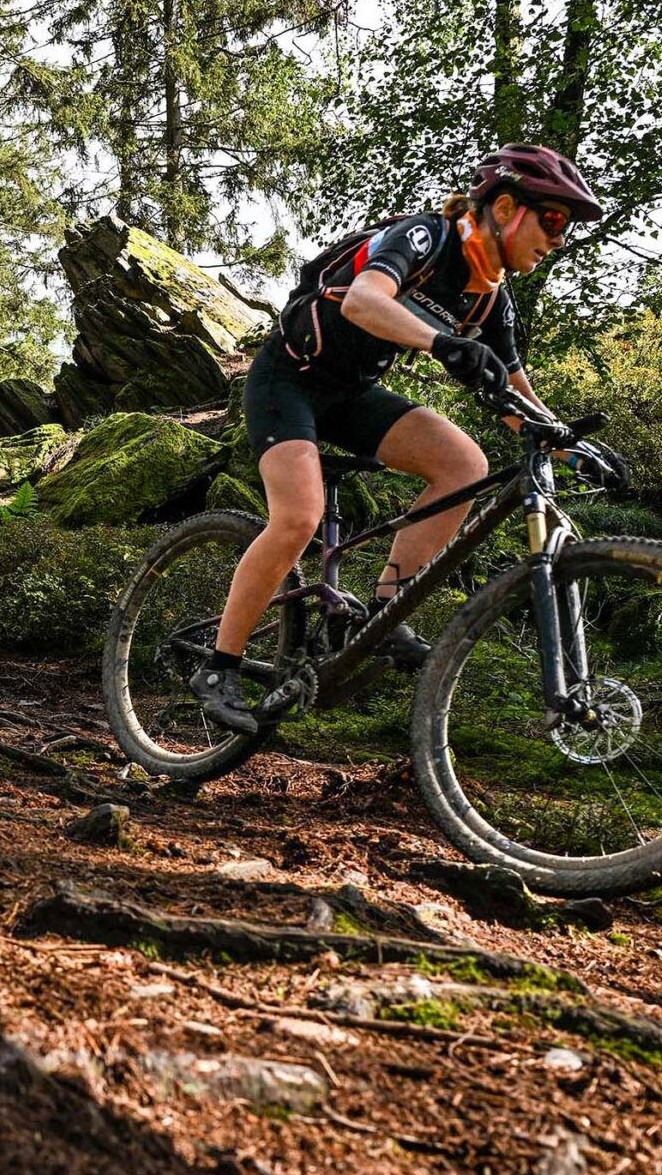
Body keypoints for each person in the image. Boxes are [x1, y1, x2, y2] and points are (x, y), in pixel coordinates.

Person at [190, 144, 607, 734]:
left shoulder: (490, 295)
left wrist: (572, 445)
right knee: (299, 517)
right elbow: (363, 301)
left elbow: (516, 396)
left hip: (353, 394)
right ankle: (219, 667)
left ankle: (383, 613)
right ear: (505, 207)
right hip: (288, 380)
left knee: (463, 464)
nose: (559, 240)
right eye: (554, 220)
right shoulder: (426, 237)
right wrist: (442, 343)